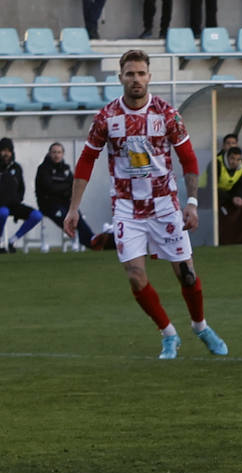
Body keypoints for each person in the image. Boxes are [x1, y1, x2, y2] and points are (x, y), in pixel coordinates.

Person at [63, 50, 229, 360]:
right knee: (135, 275)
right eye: (130, 74)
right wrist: (74, 208)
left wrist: (191, 202)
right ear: (120, 78)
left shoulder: (167, 115)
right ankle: (168, 334)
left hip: (165, 205)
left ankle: (200, 326)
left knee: (187, 275)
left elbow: (189, 158)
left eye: (141, 73)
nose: (136, 79)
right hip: (126, 207)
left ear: (149, 77)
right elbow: (87, 159)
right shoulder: (107, 118)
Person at [0, 137, 44, 253]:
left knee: (37, 215)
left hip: (13, 204)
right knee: (3, 212)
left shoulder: (16, 168)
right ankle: (0, 241)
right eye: (3, 150)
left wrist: (18, 199)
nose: (6, 154)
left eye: (9, 151)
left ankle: (13, 240)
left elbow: (21, 188)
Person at [36, 142, 95, 249]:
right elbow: (50, 188)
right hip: (49, 204)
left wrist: (63, 187)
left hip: (65, 202)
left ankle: (92, 241)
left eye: (59, 152)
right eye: (54, 152)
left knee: (78, 218)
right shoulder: (43, 169)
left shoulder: (66, 168)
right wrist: (65, 187)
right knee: (65, 218)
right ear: (49, 153)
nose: (56, 155)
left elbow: (73, 185)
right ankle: (76, 239)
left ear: (63, 154)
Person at [215, 145, 242, 244]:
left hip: (227, 195)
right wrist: (231, 198)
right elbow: (212, 187)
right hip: (207, 194)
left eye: (238, 159)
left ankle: (238, 238)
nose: (235, 162)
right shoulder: (217, 163)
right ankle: (220, 239)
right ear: (227, 157)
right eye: (232, 158)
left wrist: (237, 196)